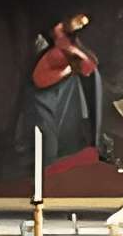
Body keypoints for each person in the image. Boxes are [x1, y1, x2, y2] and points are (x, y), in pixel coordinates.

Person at [25, 12, 104, 173]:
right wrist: (71, 68)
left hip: (57, 93)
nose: (80, 24)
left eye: (83, 24)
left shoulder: (69, 44)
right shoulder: (58, 45)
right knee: (49, 143)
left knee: (64, 142)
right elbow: (42, 78)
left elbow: (88, 66)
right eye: (79, 21)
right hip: (44, 97)